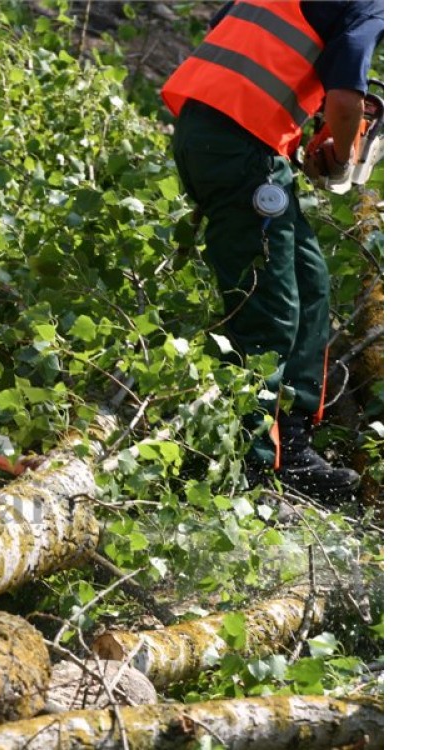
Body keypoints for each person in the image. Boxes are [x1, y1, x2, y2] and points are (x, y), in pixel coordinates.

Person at [162, 1, 383, 502]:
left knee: (309, 283)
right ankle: (256, 473)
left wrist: (295, 135)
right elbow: (346, 103)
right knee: (270, 311)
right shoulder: (369, 5)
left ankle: (294, 446)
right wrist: (343, 158)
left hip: (221, 134)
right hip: (240, 145)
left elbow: (231, 33)